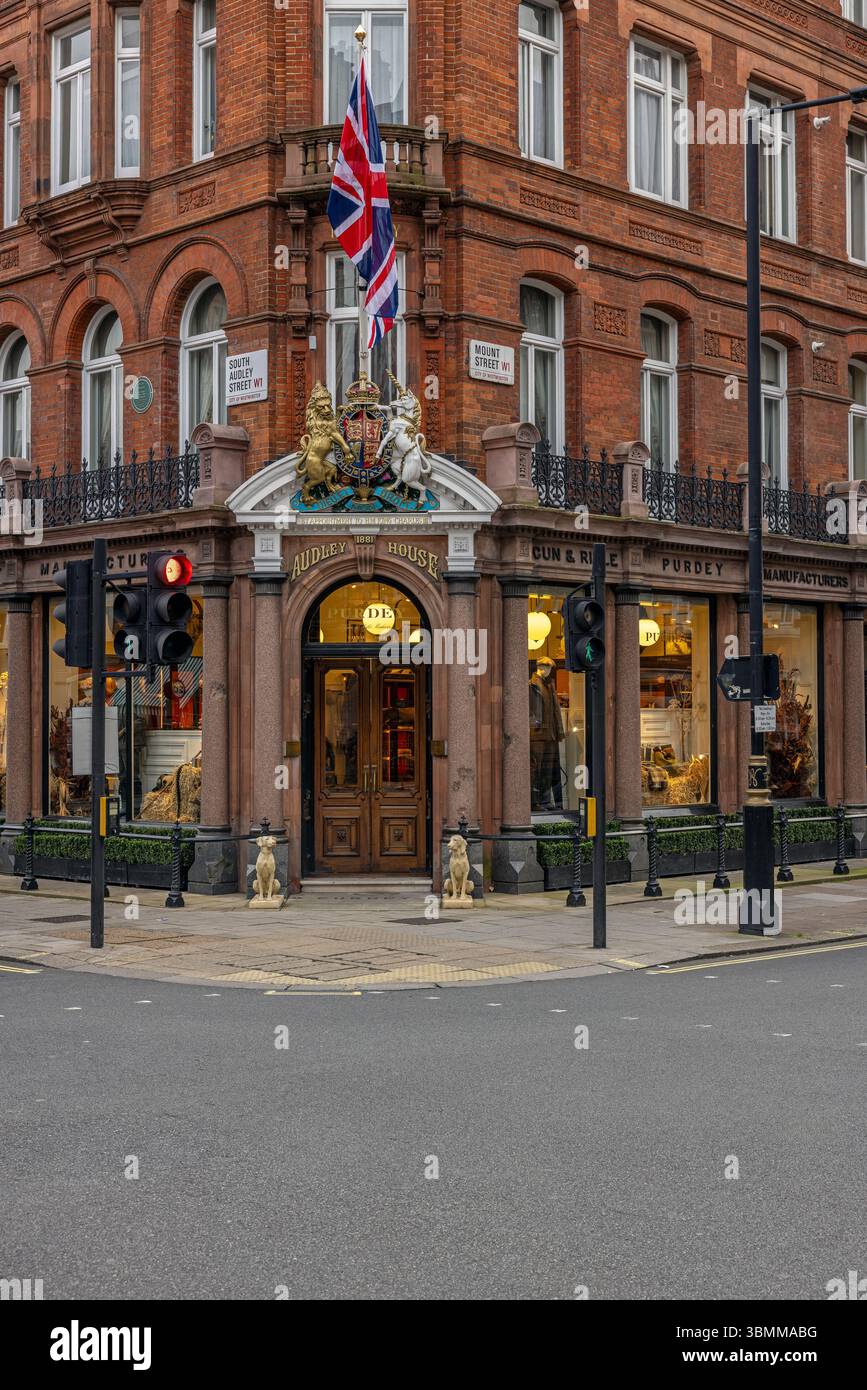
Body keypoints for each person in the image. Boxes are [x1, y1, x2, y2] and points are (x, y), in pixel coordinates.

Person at [529, 657, 564, 811]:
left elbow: (555, 710)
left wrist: (558, 731)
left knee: (548, 770)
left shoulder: (549, 686)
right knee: (536, 770)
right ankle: (534, 802)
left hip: (550, 735)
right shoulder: (532, 685)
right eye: (547, 668)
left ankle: (545, 800)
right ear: (541, 667)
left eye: (550, 669)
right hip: (536, 735)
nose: (549, 671)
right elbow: (529, 711)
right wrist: (533, 725)